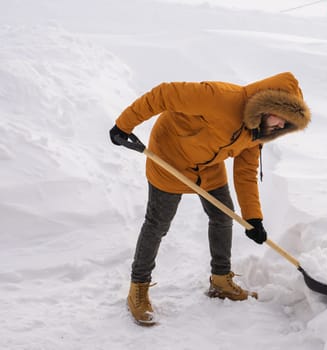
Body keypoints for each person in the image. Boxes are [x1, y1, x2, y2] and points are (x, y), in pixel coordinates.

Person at [109, 72, 311, 325]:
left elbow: (246, 173)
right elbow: (164, 94)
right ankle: (138, 288)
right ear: (268, 105)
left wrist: (253, 218)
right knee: (157, 224)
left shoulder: (258, 131)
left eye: (288, 124)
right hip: (169, 156)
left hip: (207, 166)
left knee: (223, 216)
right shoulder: (220, 98)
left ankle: (220, 280)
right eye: (283, 119)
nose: (281, 126)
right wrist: (124, 125)